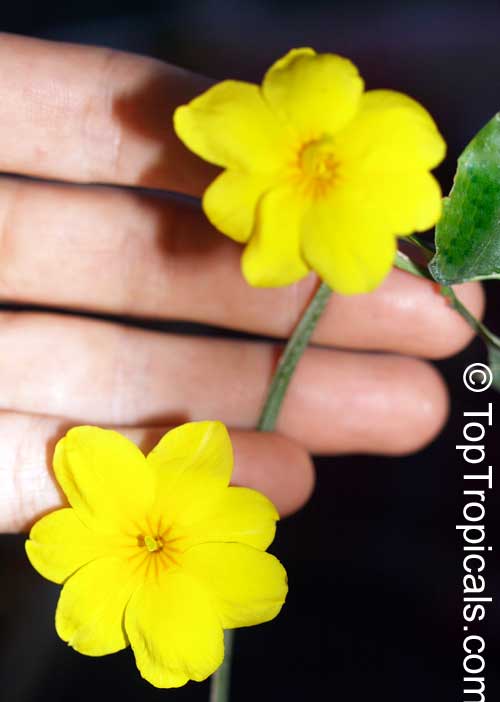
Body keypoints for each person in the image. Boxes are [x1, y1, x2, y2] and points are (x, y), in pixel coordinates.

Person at [0, 32, 484, 534]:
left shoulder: (386, 148)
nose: (319, 162)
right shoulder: (271, 118)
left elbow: (416, 187)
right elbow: (237, 203)